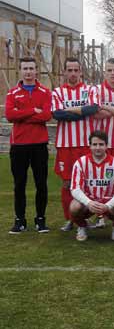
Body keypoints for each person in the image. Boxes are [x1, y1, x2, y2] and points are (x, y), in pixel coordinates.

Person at [51, 57, 99, 232]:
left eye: (75, 70)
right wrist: (81, 112)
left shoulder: (90, 90)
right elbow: (57, 114)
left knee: (88, 182)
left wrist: (69, 111)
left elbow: (93, 109)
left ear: (81, 71)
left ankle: (87, 218)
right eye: (69, 70)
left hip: (86, 145)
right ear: (64, 72)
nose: (72, 73)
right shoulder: (57, 92)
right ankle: (70, 219)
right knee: (67, 183)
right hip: (66, 146)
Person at [5, 57, 52, 234]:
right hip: (19, 145)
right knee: (19, 184)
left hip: (39, 144)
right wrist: (33, 110)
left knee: (41, 184)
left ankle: (40, 219)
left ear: (36, 70)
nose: (28, 72)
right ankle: (20, 220)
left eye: (31, 68)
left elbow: (46, 115)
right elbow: (10, 115)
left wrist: (21, 114)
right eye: (25, 68)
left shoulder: (45, 92)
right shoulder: (12, 93)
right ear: (20, 70)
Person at [69, 131, 114, 242]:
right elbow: (75, 188)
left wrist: (108, 205)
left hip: (108, 202)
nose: (98, 147)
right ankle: (82, 226)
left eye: (101, 144)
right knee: (74, 206)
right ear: (90, 146)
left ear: (106, 146)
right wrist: (88, 202)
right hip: (90, 202)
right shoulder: (81, 163)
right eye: (94, 144)